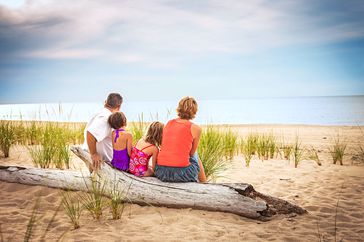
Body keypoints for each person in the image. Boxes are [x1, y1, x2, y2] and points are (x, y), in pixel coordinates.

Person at [155, 96, 207, 183]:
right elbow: (191, 153)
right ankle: (205, 184)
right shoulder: (196, 128)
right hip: (181, 174)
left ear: (179, 108)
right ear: (194, 111)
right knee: (195, 154)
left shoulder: (169, 123)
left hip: (161, 171)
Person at [83, 93, 123, 171]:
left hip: (99, 163)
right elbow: (90, 133)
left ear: (105, 102)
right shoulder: (105, 118)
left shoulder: (100, 113)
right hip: (100, 164)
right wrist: (94, 154)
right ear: (119, 107)